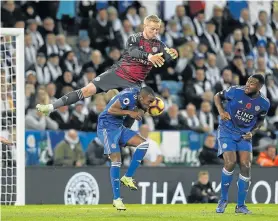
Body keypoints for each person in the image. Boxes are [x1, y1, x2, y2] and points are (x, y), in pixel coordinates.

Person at [36, 15, 178, 115]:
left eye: (157, 30)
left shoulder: (159, 45)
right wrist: (149, 56)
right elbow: (133, 51)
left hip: (134, 83)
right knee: (87, 91)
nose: (155, 32)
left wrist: (172, 54)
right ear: (145, 26)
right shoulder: (134, 38)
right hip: (117, 74)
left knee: (135, 111)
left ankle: (120, 137)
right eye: (152, 29)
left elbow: (167, 55)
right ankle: (50, 107)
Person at [214, 74, 270, 214]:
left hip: (244, 135)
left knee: (246, 165)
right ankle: (223, 200)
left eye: (252, 83)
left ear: (259, 87)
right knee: (230, 162)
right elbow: (217, 96)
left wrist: (253, 132)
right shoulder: (235, 91)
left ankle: (240, 206)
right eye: (248, 81)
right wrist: (221, 111)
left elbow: (260, 121)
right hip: (227, 130)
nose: (247, 84)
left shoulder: (264, 103)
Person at [97, 86, 155, 210]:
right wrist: (130, 112)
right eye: (149, 102)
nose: (150, 104)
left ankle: (128, 177)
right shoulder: (128, 97)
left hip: (119, 127)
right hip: (106, 127)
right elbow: (111, 110)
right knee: (116, 160)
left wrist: (144, 109)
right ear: (141, 97)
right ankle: (117, 199)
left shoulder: (139, 100)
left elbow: (131, 118)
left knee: (143, 144)